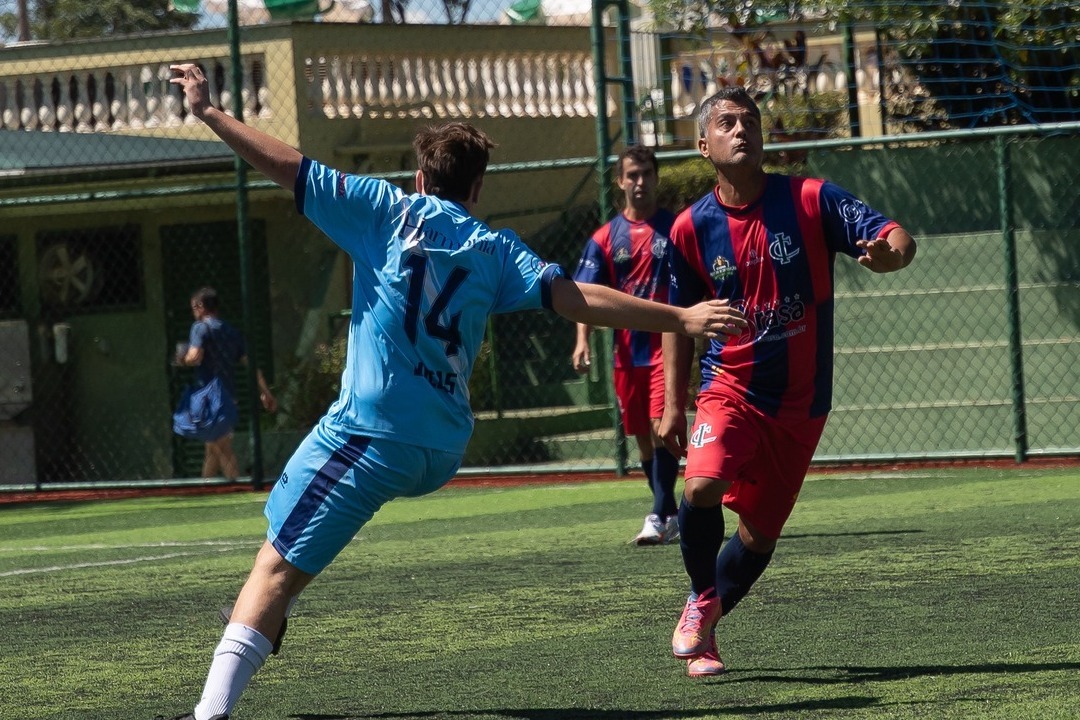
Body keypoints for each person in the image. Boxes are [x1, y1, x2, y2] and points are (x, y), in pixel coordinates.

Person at [159, 63, 747, 720]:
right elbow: (574, 297)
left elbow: (287, 165)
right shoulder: (495, 249)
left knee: (270, 568)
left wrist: (209, 111)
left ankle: (210, 712)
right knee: (287, 536)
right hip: (441, 446)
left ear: (420, 179)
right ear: (476, 188)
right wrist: (680, 317)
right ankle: (270, 615)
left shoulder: (384, 209)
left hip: (373, 432)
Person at [658, 86, 916, 678]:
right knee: (702, 486)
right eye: (726, 122)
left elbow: (895, 235)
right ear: (704, 145)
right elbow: (678, 321)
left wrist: (892, 255)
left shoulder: (810, 199)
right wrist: (672, 403)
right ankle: (702, 596)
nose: (741, 130)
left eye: (749, 121)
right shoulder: (689, 229)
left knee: (758, 537)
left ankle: (707, 627)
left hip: (802, 404)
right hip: (729, 387)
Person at [570, 145, 680, 545]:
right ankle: (670, 514)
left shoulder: (676, 229)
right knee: (642, 436)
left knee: (660, 426)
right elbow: (584, 293)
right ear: (620, 181)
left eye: (646, 173)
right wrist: (582, 339)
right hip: (627, 355)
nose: (640, 181)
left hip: (666, 348)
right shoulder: (604, 238)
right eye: (632, 174)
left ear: (656, 177)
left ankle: (658, 512)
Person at [176, 287, 277, 481]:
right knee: (212, 448)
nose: (193, 312)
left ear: (200, 306)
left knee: (222, 448)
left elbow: (194, 356)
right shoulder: (231, 331)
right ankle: (205, 489)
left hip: (208, 398)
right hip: (229, 397)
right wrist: (265, 391)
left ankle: (237, 488)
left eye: (194, 308)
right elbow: (251, 364)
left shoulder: (200, 327)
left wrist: (182, 358)